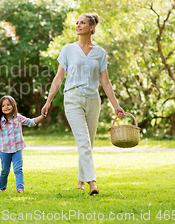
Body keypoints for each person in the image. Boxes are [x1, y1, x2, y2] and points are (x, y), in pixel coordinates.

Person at [41, 13, 125, 196]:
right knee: (84, 142)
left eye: (82, 23)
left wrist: (116, 106)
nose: (78, 25)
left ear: (92, 28)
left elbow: (105, 82)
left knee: (88, 143)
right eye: (77, 23)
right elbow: (58, 78)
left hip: (93, 100)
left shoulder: (100, 53)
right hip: (73, 98)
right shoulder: (68, 50)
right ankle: (92, 182)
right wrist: (48, 101)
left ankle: (80, 180)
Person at [0, 95, 45, 193]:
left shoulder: (18, 118)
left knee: (18, 169)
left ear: (13, 106)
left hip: (17, 149)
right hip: (5, 151)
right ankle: (2, 188)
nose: (6, 107)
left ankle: (20, 188)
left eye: (8, 105)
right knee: (5, 171)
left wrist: (42, 116)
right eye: (3, 106)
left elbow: (31, 122)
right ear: (0, 108)